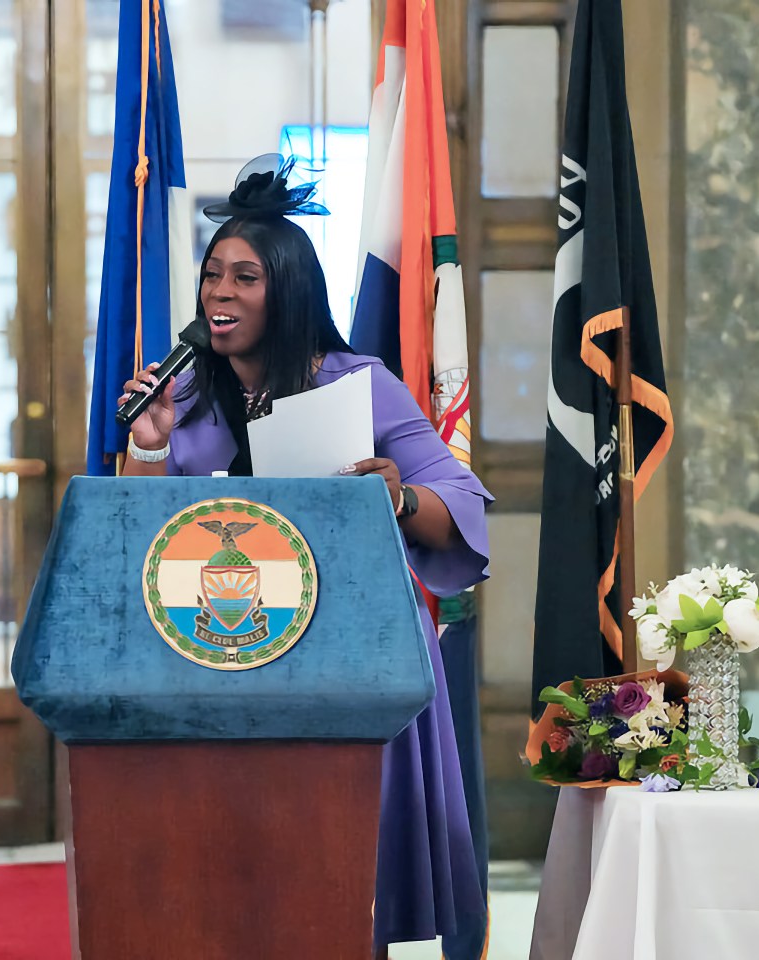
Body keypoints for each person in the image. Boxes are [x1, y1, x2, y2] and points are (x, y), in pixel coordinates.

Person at [120, 158, 493, 955]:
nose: (219, 292)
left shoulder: (360, 384)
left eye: (244, 277)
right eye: (212, 275)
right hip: (222, 652)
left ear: (285, 290)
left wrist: (395, 496)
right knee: (233, 883)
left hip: (346, 661)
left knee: (337, 877)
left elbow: (459, 499)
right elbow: (140, 537)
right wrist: (148, 450)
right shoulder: (178, 401)